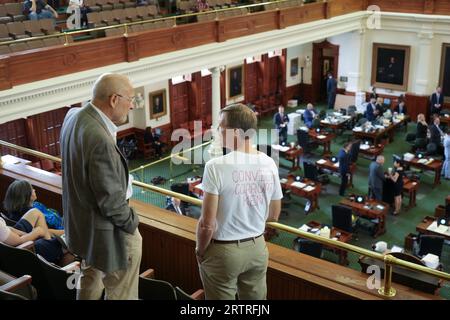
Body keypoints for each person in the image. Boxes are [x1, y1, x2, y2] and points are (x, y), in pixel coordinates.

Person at [60, 73, 142, 300]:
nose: (132, 105)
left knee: (90, 278)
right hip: (109, 231)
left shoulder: (73, 116)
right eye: (131, 99)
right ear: (114, 99)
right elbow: (112, 203)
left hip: (82, 226)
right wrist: (132, 223)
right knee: (122, 291)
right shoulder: (100, 139)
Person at [196, 103, 282, 300]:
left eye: (220, 127)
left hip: (223, 251)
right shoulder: (269, 162)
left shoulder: (215, 166)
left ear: (235, 132)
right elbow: (274, 215)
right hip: (258, 248)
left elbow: (207, 224)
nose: (216, 131)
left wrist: (200, 250)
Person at [0, 199, 64, 264]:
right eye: (32, 189)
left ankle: (48, 239)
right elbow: (18, 241)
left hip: (11, 238)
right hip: (20, 249)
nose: (34, 190)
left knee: (35, 212)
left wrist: (28, 234)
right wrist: (36, 232)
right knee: (63, 241)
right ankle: (53, 253)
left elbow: (7, 229)